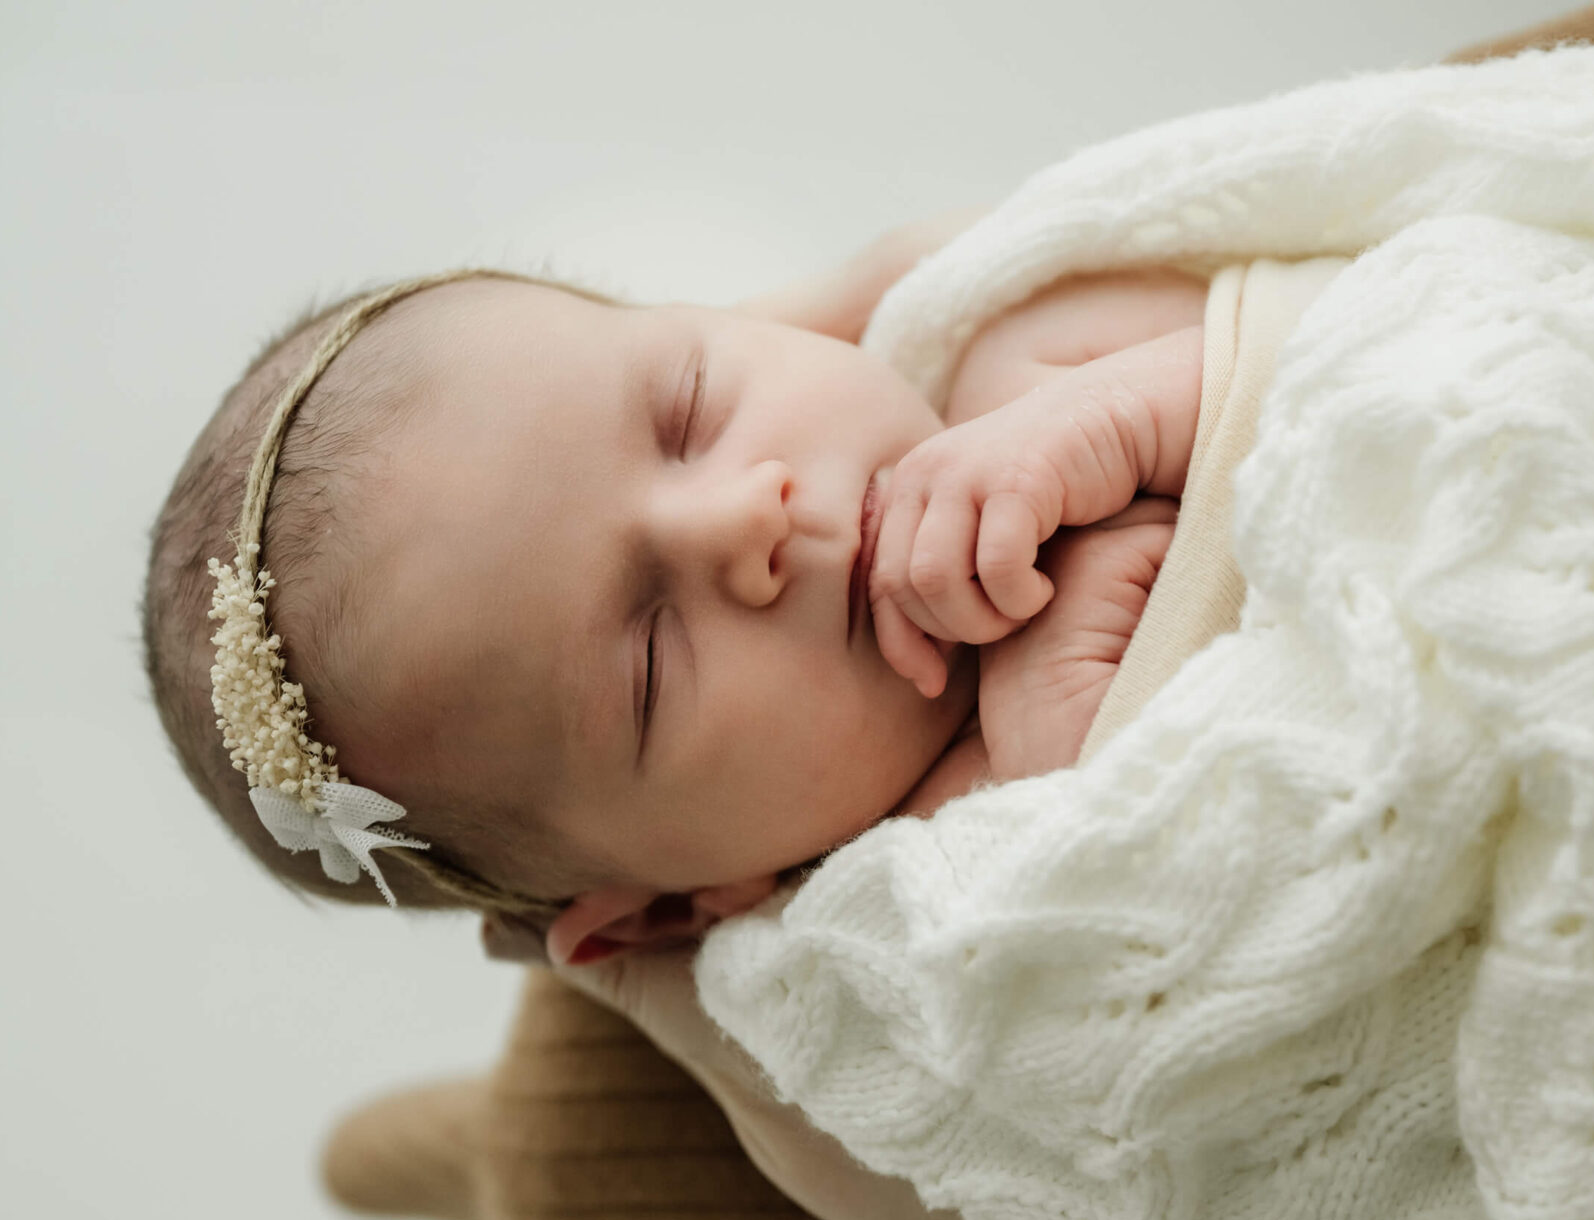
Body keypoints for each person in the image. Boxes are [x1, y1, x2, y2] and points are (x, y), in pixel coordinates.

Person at [142, 229, 1268, 964]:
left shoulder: (1022, 340)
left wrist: (1132, 417)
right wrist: (1073, 762)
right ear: (674, 907)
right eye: (650, 660)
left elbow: (1352, 320)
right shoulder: (911, 929)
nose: (744, 519)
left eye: (687, 407)